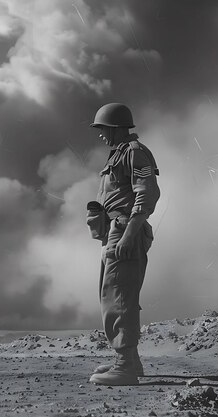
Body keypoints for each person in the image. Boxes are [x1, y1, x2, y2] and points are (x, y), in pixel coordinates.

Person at [86, 103, 160, 385]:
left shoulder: (134, 153)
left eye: (102, 129)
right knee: (116, 295)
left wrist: (130, 233)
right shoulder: (119, 155)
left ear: (115, 127)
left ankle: (125, 365)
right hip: (116, 231)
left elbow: (148, 192)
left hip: (126, 229)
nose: (100, 135)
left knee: (119, 298)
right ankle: (130, 360)